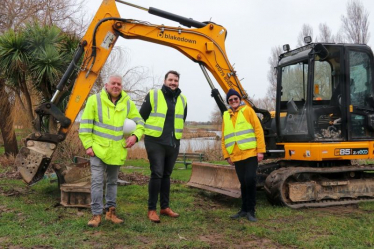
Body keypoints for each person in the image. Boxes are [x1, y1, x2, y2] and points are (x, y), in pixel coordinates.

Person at [79, 74, 144, 227]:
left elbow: (140, 122)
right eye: (113, 83)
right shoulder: (94, 100)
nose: (116, 86)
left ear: (122, 87)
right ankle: (96, 215)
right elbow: (86, 125)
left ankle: (110, 212)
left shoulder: (127, 102)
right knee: (97, 181)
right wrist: (88, 145)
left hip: (116, 151)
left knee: (113, 182)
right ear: (106, 85)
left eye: (119, 84)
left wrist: (135, 136)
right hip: (97, 150)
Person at [139, 70, 187, 223]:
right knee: (157, 173)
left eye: (176, 80)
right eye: (171, 80)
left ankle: (165, 207)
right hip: (155, 141)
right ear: (165, 80)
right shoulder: (154, 95)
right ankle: (152, 209)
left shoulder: (183, 99)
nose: (173, 83)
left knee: (166, 175)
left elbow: (182, 119)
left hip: (173, 142)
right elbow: (142, 116)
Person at [221, 89, 265, 222]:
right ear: (228, 102)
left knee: (250, 179)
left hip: (250, 153)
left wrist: (261, 150)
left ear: (239, 99)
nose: (233, 101)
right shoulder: (226, 115)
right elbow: (224, 137)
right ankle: (243, 209)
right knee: (243, 182)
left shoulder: (248, 111)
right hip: (236, 155)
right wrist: (227, 155)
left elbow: (258, 130)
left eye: (235, 99)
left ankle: (251, 210)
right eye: (231, 100)